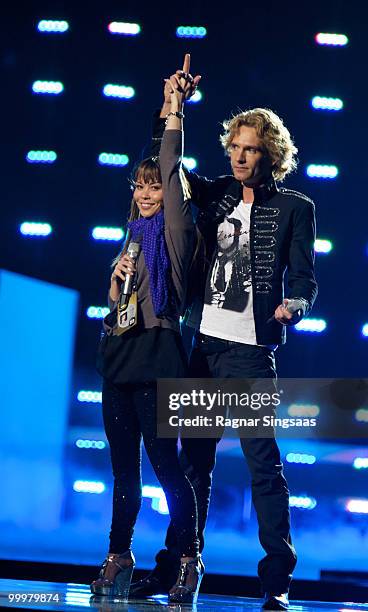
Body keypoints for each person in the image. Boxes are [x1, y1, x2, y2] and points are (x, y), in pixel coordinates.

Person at [130, 62, 318, 611]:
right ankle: (177, 567)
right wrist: (173, 108)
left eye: (251, 149)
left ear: (272, 155)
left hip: (250, 354)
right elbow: (165, 168)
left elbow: (305, 276)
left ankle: (277, 577)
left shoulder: (295, 209)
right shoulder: (212, 194)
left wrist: (296, 305)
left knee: (262, 462)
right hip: (202, 348)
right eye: (235, 146)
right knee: (192, 466)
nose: (239, 156)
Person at [91, 59, 204, 604]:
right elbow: (117, 308)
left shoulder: (178, 231)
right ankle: (119, 554)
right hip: (119, 354)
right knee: (123, 474)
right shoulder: (132, 234)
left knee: (166, 470)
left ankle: (188, 559)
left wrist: (173, 110)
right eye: (138, 186)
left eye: (153, 187)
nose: (145, 194)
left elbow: (168, 157)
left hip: (160, 356)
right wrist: (114, 289)